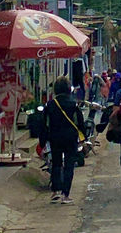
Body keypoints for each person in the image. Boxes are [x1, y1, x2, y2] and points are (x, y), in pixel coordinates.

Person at [41, 75, 85, 205]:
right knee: (69, 165)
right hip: (71, 138)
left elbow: (44, 124)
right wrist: (83, 138)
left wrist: (42, 142)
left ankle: (55, 191)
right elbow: (80, 122)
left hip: (55, 137)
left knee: (56, 163)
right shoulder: (73, 104)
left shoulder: (50, 104)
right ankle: (66, 194)